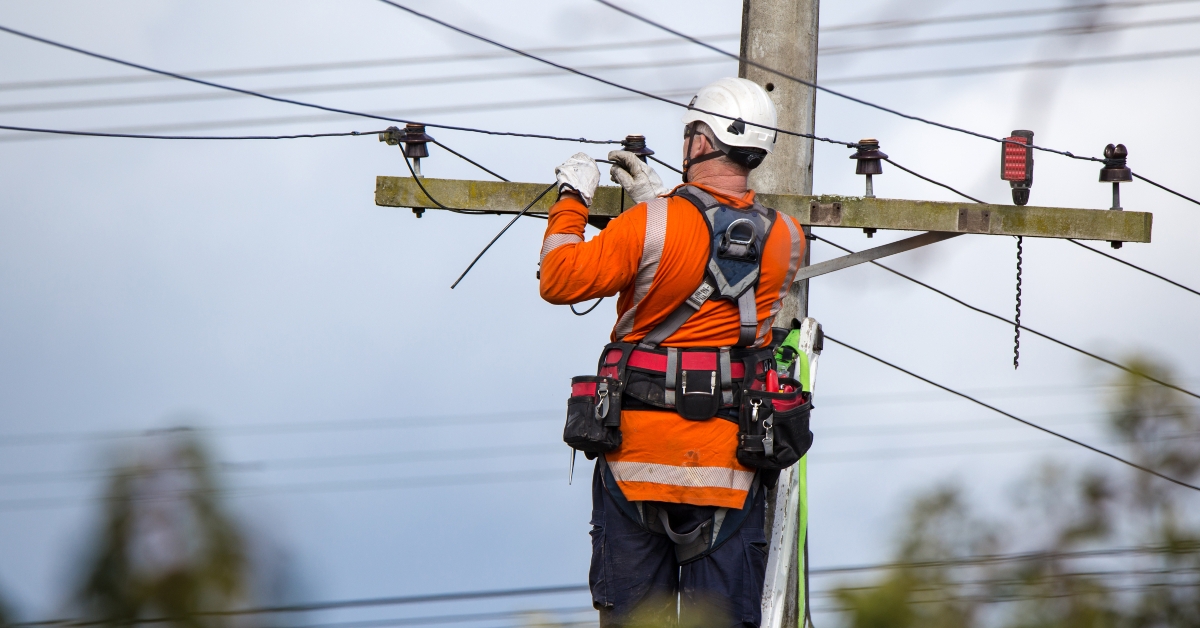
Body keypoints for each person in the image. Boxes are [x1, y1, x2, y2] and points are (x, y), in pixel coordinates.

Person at [539, 77, 809, 628]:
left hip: (635, 464)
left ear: (702, 140)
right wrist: (662, 205)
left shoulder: (648, 225)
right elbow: (717, 251)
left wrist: (571, 201)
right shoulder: (787, 237)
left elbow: (559, 278)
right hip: (730, 471)